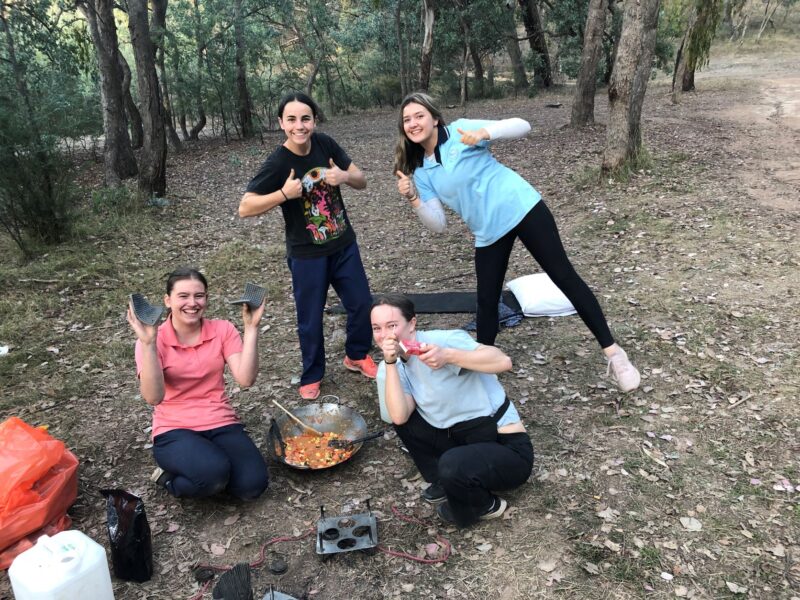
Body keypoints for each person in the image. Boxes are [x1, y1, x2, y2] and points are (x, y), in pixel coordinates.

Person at [394, 92, 641, 392]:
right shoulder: (421, 171)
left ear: (435, 118)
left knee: (563, 276)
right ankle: (483, 368)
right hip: (487, 231)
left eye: (419, 116)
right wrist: (414, 199)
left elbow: (522, 125)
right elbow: (438, 225)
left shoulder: (460, 130)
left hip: (522, 207)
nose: (413, 123)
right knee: (486, 301)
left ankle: (614, 354)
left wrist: (485, 133)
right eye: (407, 119)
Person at [240, 92, 376, 400]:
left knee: (361, 304)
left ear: (314, 120)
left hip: (343, 245)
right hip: (307, 255)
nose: (299, 126)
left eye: (305, 118)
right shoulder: (278, 162)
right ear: (281, 123)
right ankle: (312, 374)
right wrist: (283, 195)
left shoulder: (325, 144)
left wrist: (345, 176)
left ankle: (356, 355)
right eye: (291, 119)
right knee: (310, 319)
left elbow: (361, 179)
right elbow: (245, 207)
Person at [371, 293, 534, 527]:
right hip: (462, 436)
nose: (384, 334)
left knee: (452, 463)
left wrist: (448, 356)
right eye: (377, 328)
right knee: (403, 418)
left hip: (505, 445)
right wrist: (390, 364)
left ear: (412, 323)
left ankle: (485, 505)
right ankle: (447, 480)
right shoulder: (398, 362)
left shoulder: (442, 341)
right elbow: (399, 416)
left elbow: (502, 361)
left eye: (392, 325)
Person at [127, 268, 269, 500]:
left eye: (199, 296)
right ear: (168, 300)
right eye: (183, 296)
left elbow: (245, 379)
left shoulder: (222, 329)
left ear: (206, 298)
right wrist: (149, 344)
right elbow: (153, 397)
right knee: (212, 473)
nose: (192, 303)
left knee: (252, 486)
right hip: (174, 429)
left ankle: (212, 474)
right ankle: (170, 479)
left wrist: (252, 328)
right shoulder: (152, 340)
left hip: (220, 420)